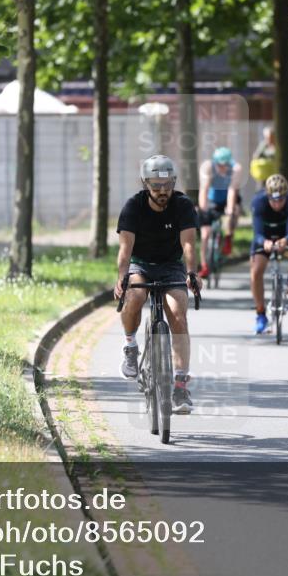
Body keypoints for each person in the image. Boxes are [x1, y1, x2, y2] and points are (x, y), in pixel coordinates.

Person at [114, 154, 202, 414]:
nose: (162, 191)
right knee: (134, 298)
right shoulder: (133, 206)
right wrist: (121, 277)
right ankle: (130, 345)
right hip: (140, 264)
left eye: (167, 185)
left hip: (171, 265)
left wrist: (192, 272)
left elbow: (188, 244)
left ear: (174, 183)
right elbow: (125, 248)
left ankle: (180, 386)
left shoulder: (183, 205)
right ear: (145, 184)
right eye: (155, 185)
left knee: (178, 315)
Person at [249, 174, 288, 334]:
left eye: (281, 200)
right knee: (255, 272)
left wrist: (285, 241)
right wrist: (265, 243)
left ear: (286, 196)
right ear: (267, 196)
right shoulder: (258, 202)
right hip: (264, 235)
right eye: (273, 200)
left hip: (285, 232)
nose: (277, 204)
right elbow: (257, 233)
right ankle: (260, 314)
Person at [198, 147, 242, 271]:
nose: (223, 168)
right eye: (220, 165)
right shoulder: (208, 167)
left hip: (227, 198)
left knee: (235, 210)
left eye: (225, 165)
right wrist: (203, 210)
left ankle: (229, 236)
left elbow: (232, 191)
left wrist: (230, 209)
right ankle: (204, 265)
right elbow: (204, 190)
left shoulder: (236, 168)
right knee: (205, 234)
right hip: (212, 199)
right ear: (215, 162)